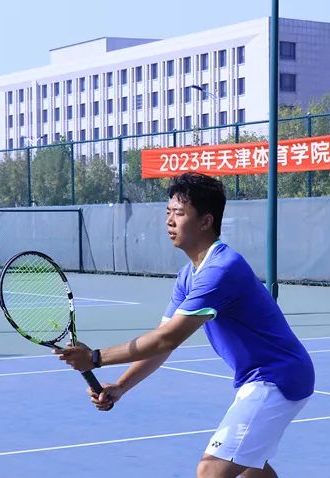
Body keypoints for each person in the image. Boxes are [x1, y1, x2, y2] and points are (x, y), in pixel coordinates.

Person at [55, 172, 315, 478]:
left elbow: (168, 339)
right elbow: (161, 343)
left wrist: (96, 358)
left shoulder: (220, 270)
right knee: (251, 471)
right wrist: (121, 386)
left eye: (179, 213)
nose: (169, 221)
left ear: (205, 221)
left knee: (210, 471)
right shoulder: (189, 275)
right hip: (263, 377)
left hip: (276, 378)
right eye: (168, 212)